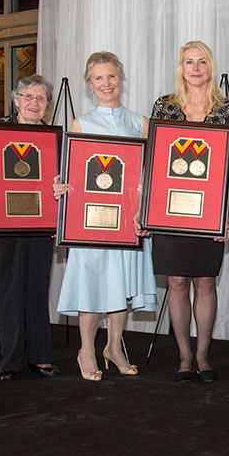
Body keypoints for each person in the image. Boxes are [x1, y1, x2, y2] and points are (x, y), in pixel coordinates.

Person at [56, 52, 157, 381]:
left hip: (128, 219)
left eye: (111, 76)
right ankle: (86, 349)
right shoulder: (80, 123)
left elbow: (149, 172)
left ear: (121, 78)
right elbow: (72, 171)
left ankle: (113, 346)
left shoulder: (140, 122)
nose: (106, 83)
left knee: (121, 284)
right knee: (93, 283)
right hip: (92, 221)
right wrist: (63, 186)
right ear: (89, 84)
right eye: (98, 78)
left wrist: (145, 202)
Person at [151, 41, 229, 383]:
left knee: (205, 281)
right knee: (176, 281)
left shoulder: (226, 108)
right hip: (170, 211)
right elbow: (155, 161)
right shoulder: (164, 106)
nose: (196, 68)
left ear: (210, 66)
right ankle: (184, 356)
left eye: (202, 62)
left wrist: (227, 211)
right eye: (189, 62)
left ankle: (203, 354)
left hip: (209, 210)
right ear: (181, 67)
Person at [0, 75, 60, 381]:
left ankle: (41, 357)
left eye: (41, 98)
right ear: (15, 99)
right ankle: (10, 360)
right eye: (28, 97)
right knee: (7, 291)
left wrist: (60, 202)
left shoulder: (55, 139)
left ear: (47, 104)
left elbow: (64, 182)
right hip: (1, 224)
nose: (34, 103)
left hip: (40, 223)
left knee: (37, 289)